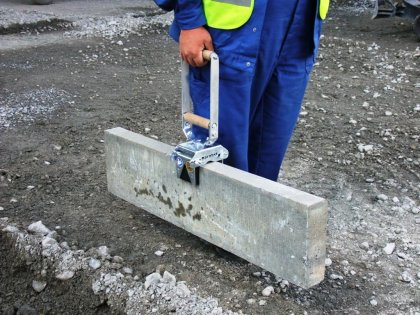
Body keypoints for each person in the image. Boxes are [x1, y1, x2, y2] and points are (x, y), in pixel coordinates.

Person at [153, 0, 329, 181]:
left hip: (300, 23)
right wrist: (190, 20)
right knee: (219, 155)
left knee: (268, 154)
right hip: (231, 31)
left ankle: (254, 207)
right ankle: (202, 207)